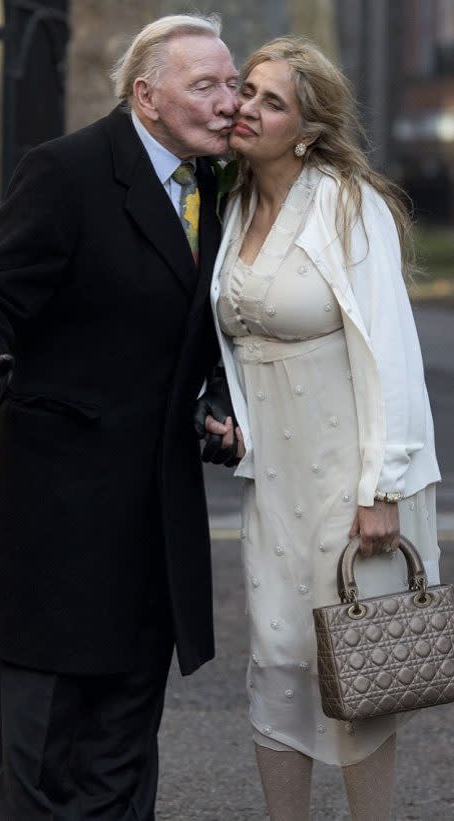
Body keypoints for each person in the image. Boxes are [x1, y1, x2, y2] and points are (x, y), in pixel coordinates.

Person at [0, 14, 239, 820]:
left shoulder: (217, 187)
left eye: (232, 84)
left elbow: (189, 325)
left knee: (120, 770)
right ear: (146, 96)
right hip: (52, 528)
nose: (227, 102)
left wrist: (217, 398)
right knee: (36, 776)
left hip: (151, 535)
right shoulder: (65, 172)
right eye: (204, 85)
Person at [201, 36, 441, 821]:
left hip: (353, 476)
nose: (247, 107)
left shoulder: (344, 202)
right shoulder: (231, 201)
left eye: (272, 100)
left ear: (305, 129)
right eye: (247, 90)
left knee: (355, 669)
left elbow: (391, 352)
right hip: (272, 480)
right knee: (276, 658)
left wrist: (382, 488)